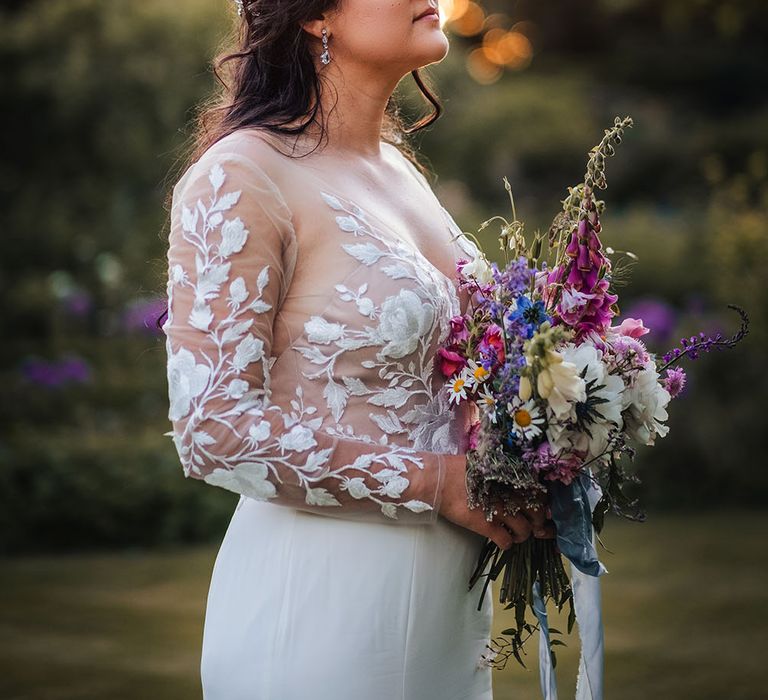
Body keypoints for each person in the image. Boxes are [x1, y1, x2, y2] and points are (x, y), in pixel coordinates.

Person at [162, 1, 555, 697]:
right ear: (316, 16)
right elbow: (213, 431)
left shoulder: (400, 171)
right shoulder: (242, 176)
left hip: (447, 610)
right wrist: (437, 483)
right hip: (322, 607)